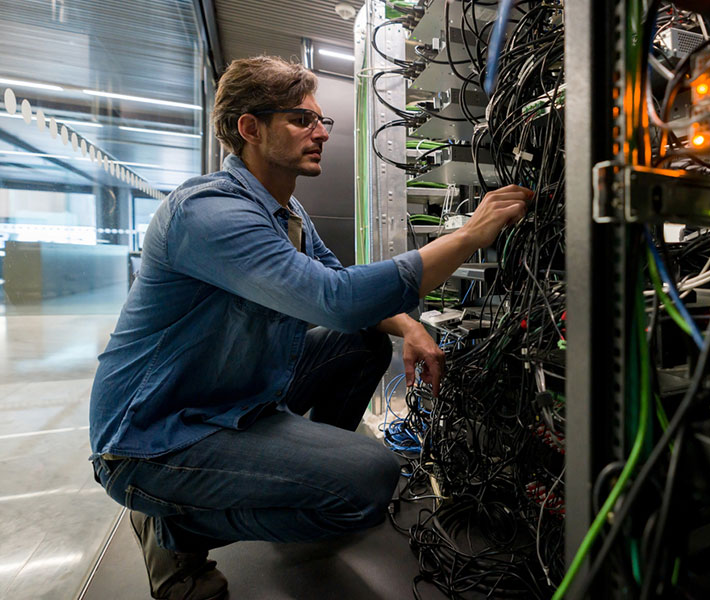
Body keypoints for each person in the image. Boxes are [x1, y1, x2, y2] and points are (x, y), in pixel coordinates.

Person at [88, 56, 531, 600]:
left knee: (364, 340)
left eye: (322, 121)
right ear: (250, 128)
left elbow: (337, 281)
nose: (321, 132)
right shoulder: (209, 213)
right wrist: (469, 235)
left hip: (236, 399)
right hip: (157, 432)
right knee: (370, 482)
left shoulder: (285, 211)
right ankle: (175, 525)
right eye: (302, 120)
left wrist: (408, 328)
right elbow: (338, 299)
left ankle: (290, 477)